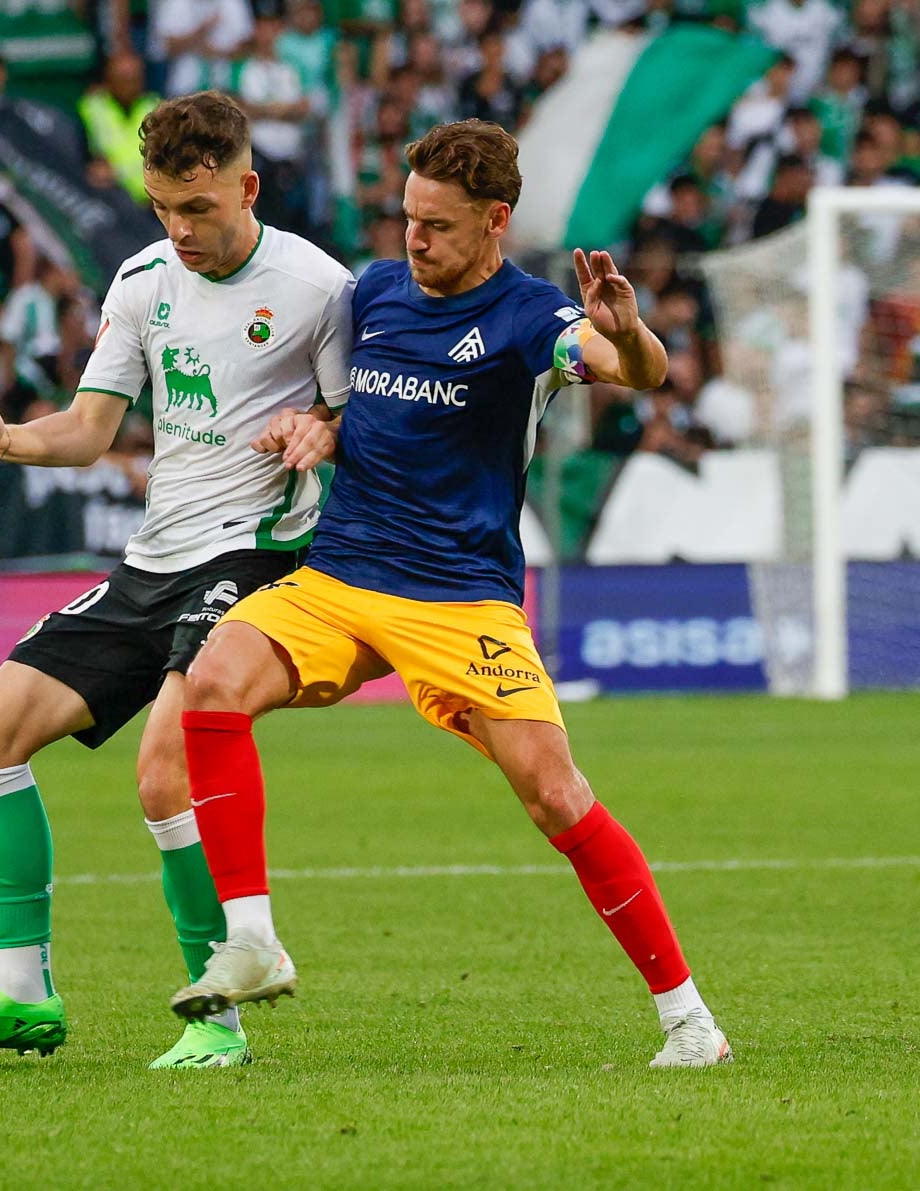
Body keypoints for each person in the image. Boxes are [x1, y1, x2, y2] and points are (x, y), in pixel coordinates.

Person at [170, 119, 731, 1070]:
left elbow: (631, 371)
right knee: (214, 678)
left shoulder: (530, 317)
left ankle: (690, 1021)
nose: (414, 240)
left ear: (495, 220)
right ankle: (253, 938)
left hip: (460, 599)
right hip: (340, 575)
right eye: (407, 218)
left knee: (555, 794)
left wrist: (628, 332)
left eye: (437, 226)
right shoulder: (377, 293)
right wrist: (320, 428)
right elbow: (349, 405)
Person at [0, 92, 352, 1070]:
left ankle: (218, 1021)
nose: (180, 229)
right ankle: (24, 988)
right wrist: (8, 439)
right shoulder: (140, 279)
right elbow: (89, 430)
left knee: (164, 770)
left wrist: (320, 430)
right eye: (163, 208)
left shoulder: (318, 289)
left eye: (198, 208)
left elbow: (360, 422)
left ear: (247, 187)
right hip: (151, 560)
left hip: (252, 558)